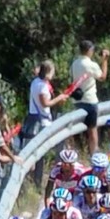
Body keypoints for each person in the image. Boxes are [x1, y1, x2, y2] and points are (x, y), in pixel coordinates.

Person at [25, 60, 73, 188]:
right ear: (48, 73)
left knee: (38, 152)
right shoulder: (42, 86)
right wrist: (59, 98)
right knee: (42, 152)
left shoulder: (36, 82)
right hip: (42, 122)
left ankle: (36, 181)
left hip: (34, 119)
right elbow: (45, 103)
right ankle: (40, 180)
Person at [70, 41, 110, 154]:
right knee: (92, 130)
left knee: (76, 131)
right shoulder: (91, 65)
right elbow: (102, 77)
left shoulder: (75, 63)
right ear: (89, 50)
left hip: (77, 100)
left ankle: (77, 152)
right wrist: (105, 60)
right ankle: (94, 153)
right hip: (90, 100)